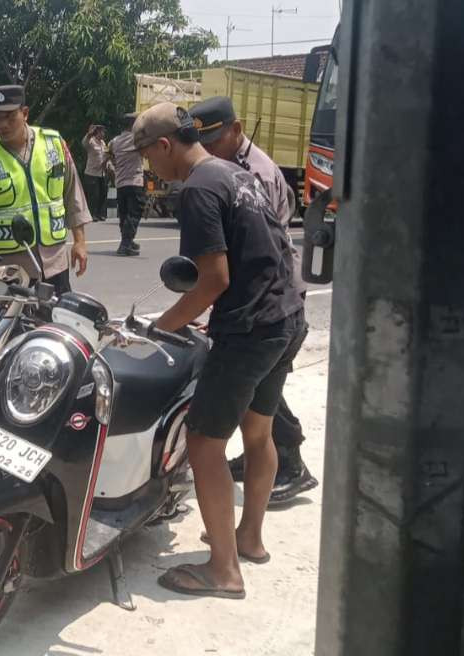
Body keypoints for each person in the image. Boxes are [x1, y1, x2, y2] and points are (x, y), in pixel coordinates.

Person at [133, 103, 306, 598]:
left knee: (205, 442)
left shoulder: (198, 189)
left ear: (165, 146)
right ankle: (249, 537)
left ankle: (224, 571)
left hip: (250, 329)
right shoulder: (236, 174)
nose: (149, 167)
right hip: (286, 316)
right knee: (258, 430)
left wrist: (160, 329)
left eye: (147, 156)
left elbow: (213, 280)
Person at [190, 95, 319, 504]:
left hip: (271, 290)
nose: (207, 149)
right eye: (201, 141)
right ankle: (259, 456)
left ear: (237, 129)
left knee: (251, 379)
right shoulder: (225, 169)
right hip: (263, 292)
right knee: (256, 386)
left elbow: (259, 250)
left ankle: (292, 461)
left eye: (214, 138)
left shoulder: (254, 172)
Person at [0, 84, 91, 293]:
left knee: (57, 321)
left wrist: (80, 242)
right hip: (10, 268)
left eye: (9, 116)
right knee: (15, 326)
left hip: (55, 262)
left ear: (24, 113)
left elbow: (72, 194)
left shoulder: (54, 144)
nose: (2, 124)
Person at [108, 113, 144, 256]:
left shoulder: (115, 141)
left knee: (124, 214)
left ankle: (128, 240)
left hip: (121, 182)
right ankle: (125, 243)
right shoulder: (137, 139)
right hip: (135, 181)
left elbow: (108, 154)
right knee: (134, 213)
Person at [81, 124, 109, 221]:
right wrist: (88, 134)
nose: (103, 134)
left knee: (103, 193)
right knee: (94, 195)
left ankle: (100, 214)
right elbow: (84, 143)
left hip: (102, 173)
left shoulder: (102, 143)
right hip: (91, 173)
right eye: (102, 132)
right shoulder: (91, 141)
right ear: (97, 132)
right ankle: (92, 214)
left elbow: (105, 155)